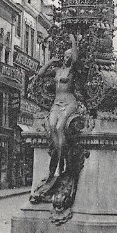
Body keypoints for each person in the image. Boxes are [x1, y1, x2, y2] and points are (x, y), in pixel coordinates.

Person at [36, 34, 79, 176]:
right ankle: (60, 154)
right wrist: (50, 61)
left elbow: (76, 59)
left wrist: (73, 40)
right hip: (56, 102)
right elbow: (41, 73)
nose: (67, 58)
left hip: (69, 102)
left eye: (69, 56)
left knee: (60, 127)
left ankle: (61, 161)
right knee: (51, 126)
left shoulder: (71, 70)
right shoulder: (57, 71)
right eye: (66, 56)